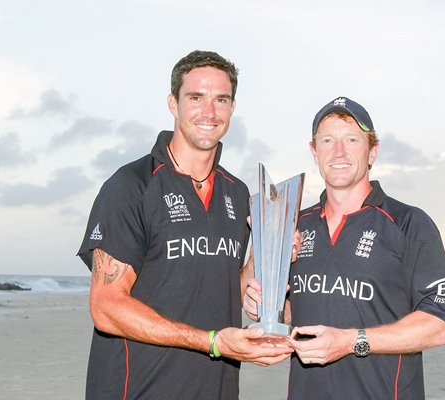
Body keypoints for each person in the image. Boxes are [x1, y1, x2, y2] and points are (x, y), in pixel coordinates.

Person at [77, 50, 293, 400]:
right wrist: (212, 342)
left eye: (221, 99)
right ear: (173, 104)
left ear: (232, 108)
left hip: (216, 389)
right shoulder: (132, 185)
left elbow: (225, 284)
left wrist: (270, 255)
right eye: (196, 98)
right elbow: (106, 307)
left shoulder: (237, 193)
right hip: (138, 389)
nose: (209, 112)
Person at [245, 96, 445, 399]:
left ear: (372, 151)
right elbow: (298, 312)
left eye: (351, 140)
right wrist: (267, 304)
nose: (338, 152)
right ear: (314, 151)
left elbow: (442, 325)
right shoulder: (295, 226)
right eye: (327, 140)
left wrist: (351, 342)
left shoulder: (408, 224)